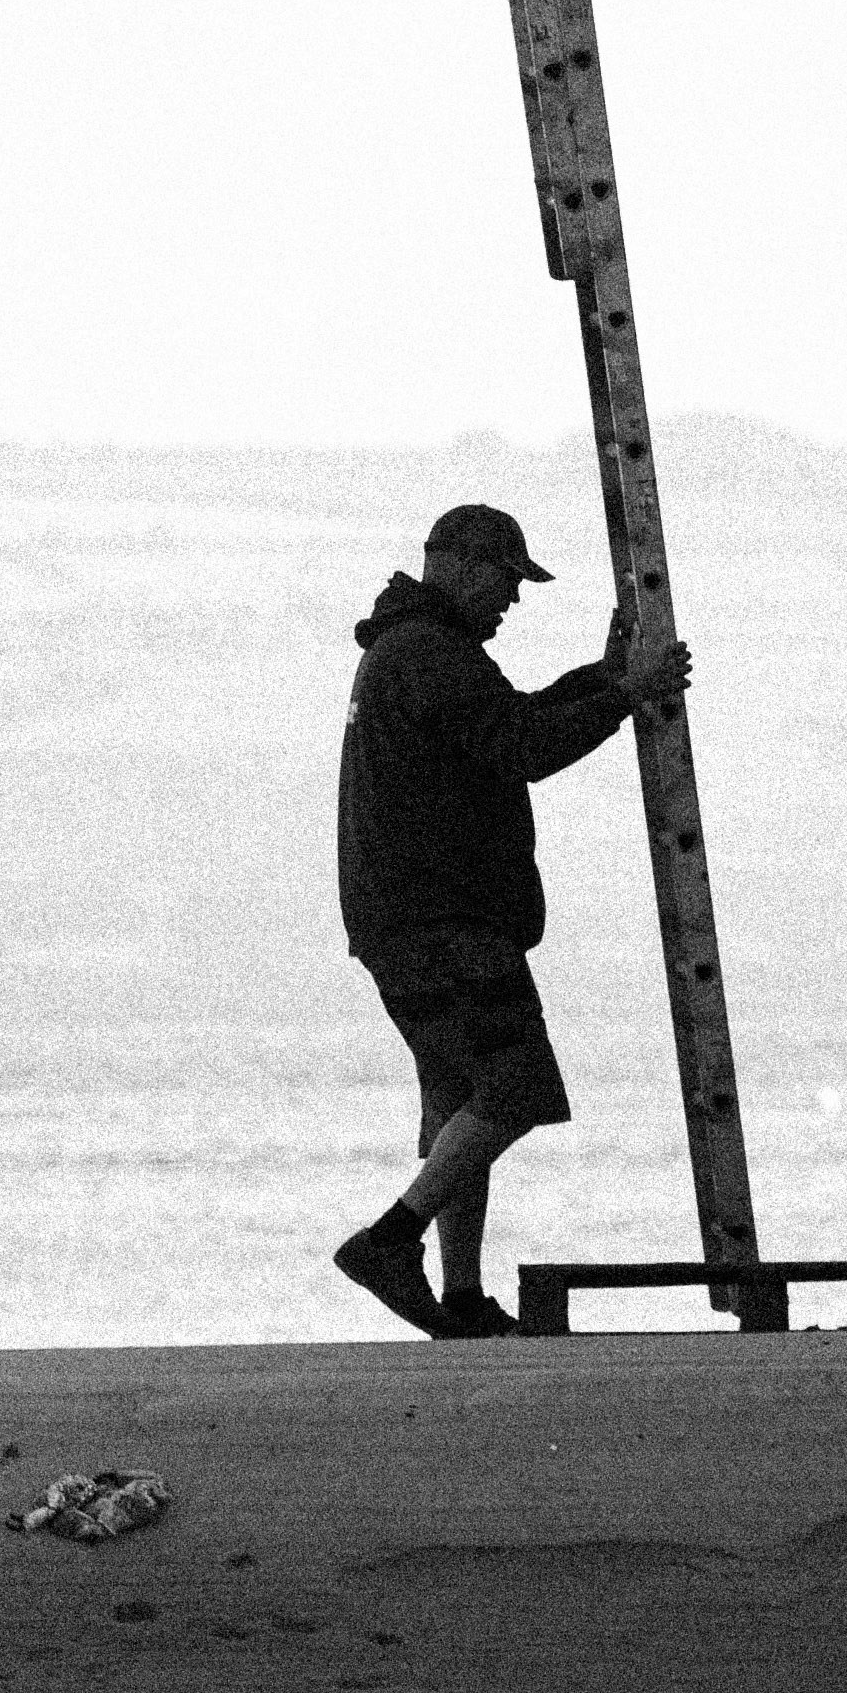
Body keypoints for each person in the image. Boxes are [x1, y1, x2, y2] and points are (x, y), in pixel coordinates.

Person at [327, 498, 679, 1337]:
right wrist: (628, 697)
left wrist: (603, 680)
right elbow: (524, 747)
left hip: (407, 921)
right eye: (505, 580)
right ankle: (389, 1241)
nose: (512, 600)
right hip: (446, 922)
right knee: (516, 1087)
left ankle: (461, 1295)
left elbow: (509, 719)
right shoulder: (430, 654)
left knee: (460, 1103)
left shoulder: (412, 652)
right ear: (458, 566)